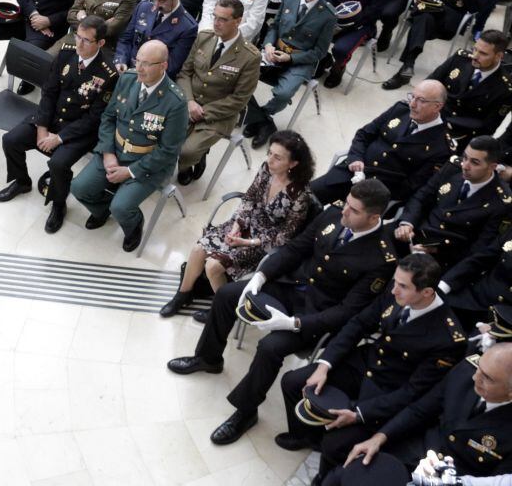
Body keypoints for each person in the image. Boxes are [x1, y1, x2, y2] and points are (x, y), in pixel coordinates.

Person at [166, 178, 398, 446]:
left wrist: (294, 323)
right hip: (289, 287)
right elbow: (296, 249)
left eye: (354, 210)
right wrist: (262, 275)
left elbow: (347, 312)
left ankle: (245, 411)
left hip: (315, 315)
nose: (344, 211)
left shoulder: (382, 258)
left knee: (270, 348)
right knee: (230, 295)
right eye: (347, 203)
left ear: (374, 217)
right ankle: (208, 358)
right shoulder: (334, 213)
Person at [276, 253, 466, 485]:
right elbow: (359, 323)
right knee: (295, 382)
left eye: (403, 286)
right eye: (395, 282)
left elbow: (412, 392)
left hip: (389, 390)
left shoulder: (448, 338)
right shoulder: (397, 290)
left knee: (334, 444)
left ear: (426, 292)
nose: (394, 290)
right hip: (365, 363)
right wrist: (325, 365)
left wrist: (359, 413)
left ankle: (325, 476)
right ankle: (306, 436)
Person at [160, 129, 316, 317]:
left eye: (278, 158)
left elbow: (284, 237)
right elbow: (249, 198)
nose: (269, 160)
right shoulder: (267, 170)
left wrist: (247, 242)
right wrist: (237, 225)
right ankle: (183, 294)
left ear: (293, 163)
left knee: (213, 266)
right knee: (197, 250)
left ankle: (221, 309)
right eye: (270, 153)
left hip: (263, 243)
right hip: (246, 224)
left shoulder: (300, 195)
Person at [0, 15, 120, 233]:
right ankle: (22, 181)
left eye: (86, 40)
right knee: (11, 140)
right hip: (51, 118)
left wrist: (59, 138)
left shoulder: (108, 73)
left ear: (100, 43)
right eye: (78, 37)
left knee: (58, 164)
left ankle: (58, 204)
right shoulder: (66, 53)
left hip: (78, 130)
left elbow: (94, 118)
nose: (79, 44)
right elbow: (49, 92)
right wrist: (42, 128)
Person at [332, 343, 512, 484]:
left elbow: (496, 481)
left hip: (451, 479)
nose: (475, 377)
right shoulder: (466, 371)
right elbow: (421, 409)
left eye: (487, 378)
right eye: (479, 367)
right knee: (340, 476)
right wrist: (379, 438)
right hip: (416, 451)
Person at [70, 39, 189, 251]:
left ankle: (133, 225)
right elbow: (108, 117)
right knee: (79, 188)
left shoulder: (176, 102)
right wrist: (107, 153)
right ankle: (101, 211)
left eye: (146, 64)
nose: (139, 68)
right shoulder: (128, 79)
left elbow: (168, 151)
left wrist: (130, 172)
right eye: (138, 61)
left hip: (147, 164)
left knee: (122, 207)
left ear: (163, 65)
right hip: (114, 150)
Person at [309, 80, 452, 205]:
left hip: (375, 196)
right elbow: (363, 134)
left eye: (421, 100)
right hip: (350, 173)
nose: (412, 104)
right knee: (302, 198)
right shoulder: (400, 109)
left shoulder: (441, 146)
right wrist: (356, 158)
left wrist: (371, 189)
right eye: (412, 96)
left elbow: (411, 186)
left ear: (437, 107)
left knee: (328, 225)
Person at [245, 0, 336, 147]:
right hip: (275, 51)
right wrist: (269, 45)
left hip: (299, 61)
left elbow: (319, 52)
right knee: (242, 75)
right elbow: (275, 26)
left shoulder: (328, 15)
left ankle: (260, 116)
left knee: (284, 94)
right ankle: (263, 123)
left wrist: (291, 58)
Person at [175, 0, 261, 185]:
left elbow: (239, 99)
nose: (216, 23)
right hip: (188, 104)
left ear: (238, 21)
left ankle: (187, 163)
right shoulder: (204, 37)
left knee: (186, 151)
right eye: (215, 17)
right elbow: (185, 73)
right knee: (164, 139)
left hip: (218, 115)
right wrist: (189, 102)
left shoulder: (249, 56)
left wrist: (203, 112)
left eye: (223, 19)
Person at [393, 135, 510, 271]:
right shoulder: (453, 167)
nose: (465, 166)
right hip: (415, 232)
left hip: (445, 256)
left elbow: (480, 248)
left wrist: (436, 251)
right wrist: (407, 223)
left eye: (475, 162)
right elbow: (422, 196)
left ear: (492, 167)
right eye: (465, 157)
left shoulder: (502, 201)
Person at [427, 32, 512, 147]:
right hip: (432, 117)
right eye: (475, 49)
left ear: (499, 56)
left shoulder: (505, 88)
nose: (475, 56)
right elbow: (429, 84)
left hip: (460, 135)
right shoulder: (460, 59)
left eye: (483, 53)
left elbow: (487, 128)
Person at [115, 0, 199, 78]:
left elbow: (171, 66)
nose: (156, 5)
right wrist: (121, 60)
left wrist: (138, 73)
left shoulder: (188, 27)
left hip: (152, 79)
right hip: (126, 70)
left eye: (162, 1)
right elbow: (125, 39)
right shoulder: (143, 7)